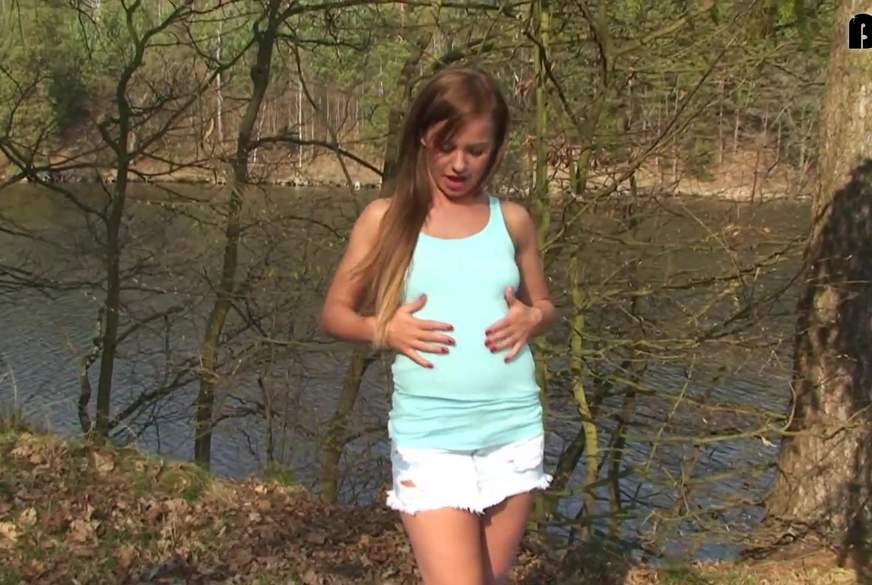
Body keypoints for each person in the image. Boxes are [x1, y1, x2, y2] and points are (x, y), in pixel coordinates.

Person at [319, 66, 558, 585]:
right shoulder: (385, 219)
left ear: (495, 150)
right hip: (431, 436)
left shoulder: (512, 220)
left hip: (513, 431)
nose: (459, 163)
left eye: (476, 150)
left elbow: (544, 305)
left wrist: (533, 317)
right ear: (423, 136)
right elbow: (335, 313)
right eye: (447, 146)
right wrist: (384, 330)